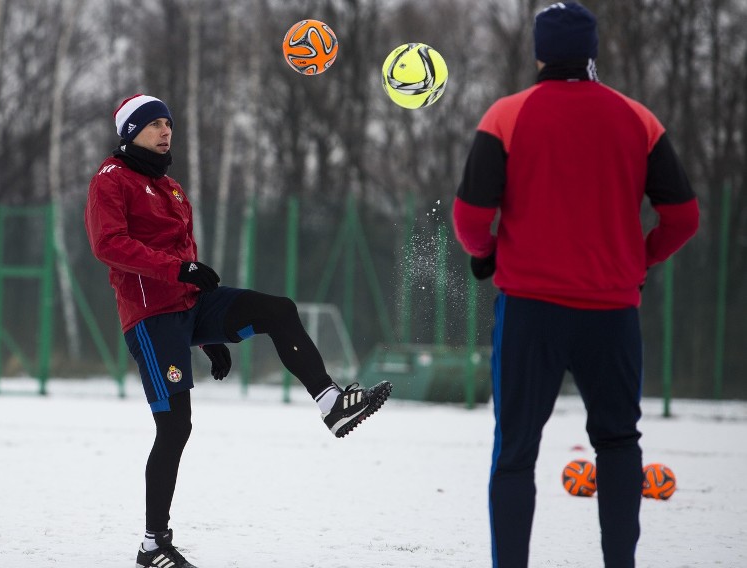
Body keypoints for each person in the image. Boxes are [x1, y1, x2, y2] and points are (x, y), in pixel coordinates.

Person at [85, 94, 392, 568]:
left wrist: (208, 339)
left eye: (169, 123)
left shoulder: (170, 186)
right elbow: (109, 245)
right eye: (155, 125)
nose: (167, 131)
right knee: (175, 427)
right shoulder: (111, 179)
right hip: (151, 317)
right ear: (130, 133)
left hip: (188, 305)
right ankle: (153, 545)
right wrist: (179, 269)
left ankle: (331, 402)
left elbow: (184, 261)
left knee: (277, 310)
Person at [452, 3, 699, 567]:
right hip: (611, 313)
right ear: (593, 53)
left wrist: (488, 254)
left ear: (539, 51)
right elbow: (683, 217)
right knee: (617, 444)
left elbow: (470, 219)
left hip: (530, 311)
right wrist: (638, 259)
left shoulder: (506, 116)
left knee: (515, 452)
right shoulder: (638, 120)